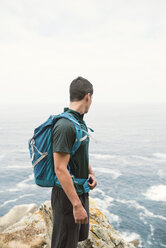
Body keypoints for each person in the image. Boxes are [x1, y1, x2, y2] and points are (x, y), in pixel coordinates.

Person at [51, 76, 97, 248]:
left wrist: (90, 173)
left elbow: (78, 152)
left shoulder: (79, 123)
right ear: (88, 96)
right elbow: (60, 168)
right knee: (63, 244)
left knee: (74, 241)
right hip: (66, 197)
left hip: (80, 190)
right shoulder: (65, 126)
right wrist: (76, 205)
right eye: (92, 99)